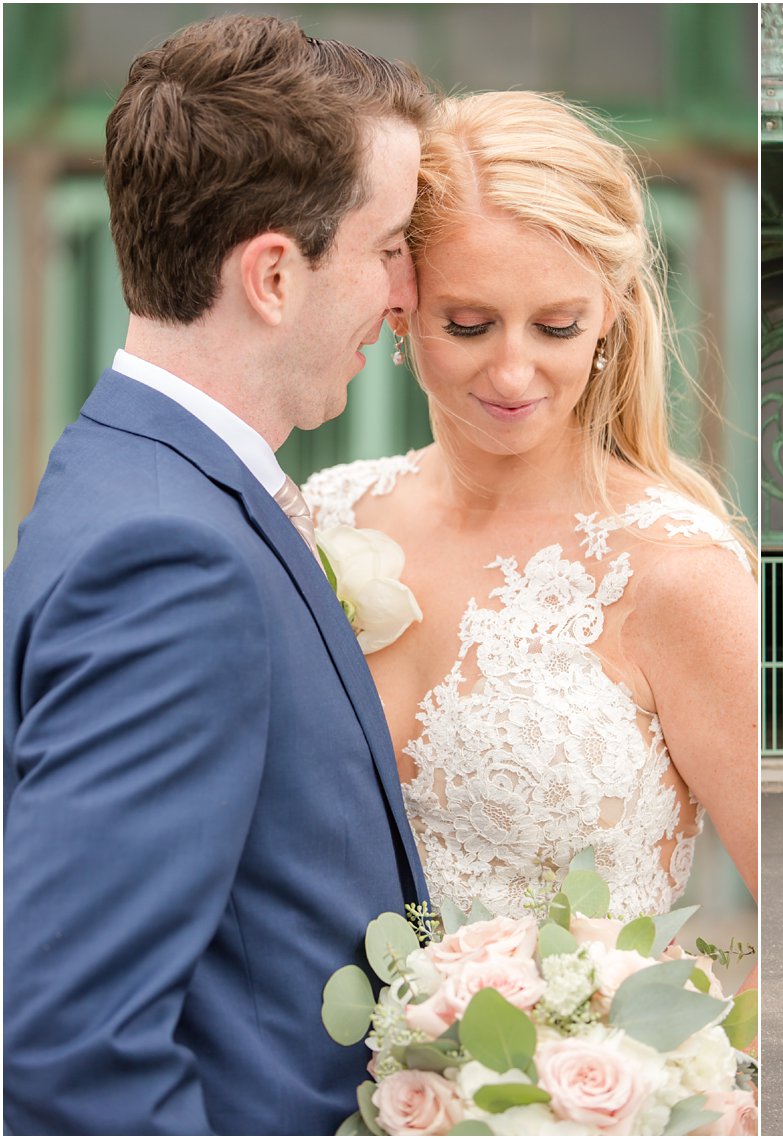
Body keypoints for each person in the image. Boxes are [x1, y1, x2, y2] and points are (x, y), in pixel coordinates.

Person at [3, 17, 432, 1134]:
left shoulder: (134, 475)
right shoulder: (171, 557)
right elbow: (70, 1041)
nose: (405, 295)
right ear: (276, 275)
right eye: (388, 246)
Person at [304, 92, 757, 927]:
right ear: (399, 304)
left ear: (609, 316)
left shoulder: (681, 575)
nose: (513, 374)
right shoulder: (321, 520)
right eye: (470, 324)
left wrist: (665, 1053)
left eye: (555, 326)